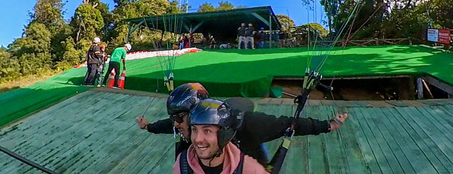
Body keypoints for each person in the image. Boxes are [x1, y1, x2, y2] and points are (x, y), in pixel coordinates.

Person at [136, 82, 348, 166]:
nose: (176, 124)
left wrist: (329, 125)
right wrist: (149, 126)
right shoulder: (185, 128)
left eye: (179, 118)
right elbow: (169, 125)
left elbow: (289, 124)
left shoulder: (245, 124)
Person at [174, 99, 267, 174]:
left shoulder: (249, 169)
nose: (198, 139)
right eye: (194, 129)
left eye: (207, 131)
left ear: (224, 135)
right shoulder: (182, 164)